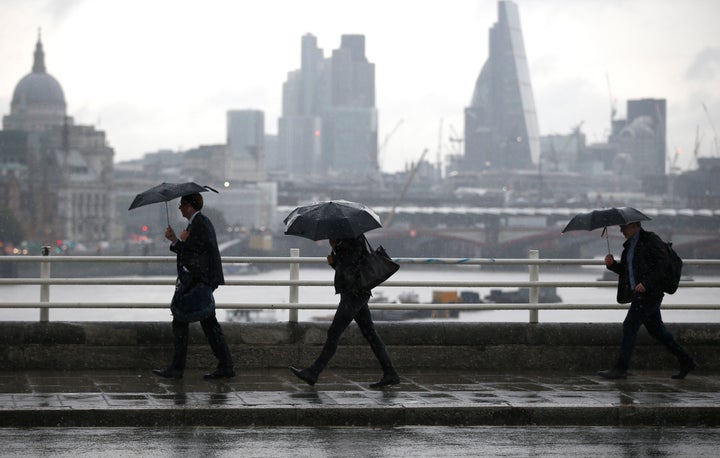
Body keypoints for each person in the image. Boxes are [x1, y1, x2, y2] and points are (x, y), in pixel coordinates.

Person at [290, 236, 400, 388]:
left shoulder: (352, 241)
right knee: (370, 334)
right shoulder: (350, 239)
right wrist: (336, 256)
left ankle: (313, 372)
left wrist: (336, 251)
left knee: (334, 333)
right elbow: (350, 270)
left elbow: (350, 270)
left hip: (354, 294)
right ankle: (390, 373)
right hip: (357, 293)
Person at [597, 221, 697, 380]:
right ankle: (686, 360)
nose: (621, 230)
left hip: (650, 293)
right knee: (657, 330)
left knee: (630, 326)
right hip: (640, 293)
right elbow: (627, 271)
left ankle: (621, 368)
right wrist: (612, 265)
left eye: (624, 227)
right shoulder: (630, 246)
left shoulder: (650, 240)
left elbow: (663, 263)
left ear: (635, 226)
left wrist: (647, 283)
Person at [152, 193, 235, 380]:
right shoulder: (198, 223)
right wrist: (176, 240)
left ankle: (178, 368)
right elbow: (194, 252)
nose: (180, 208)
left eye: (182, 205)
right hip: (201, 283)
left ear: (190, 206)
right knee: (209, 324)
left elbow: (193, 256)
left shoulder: (200, 224)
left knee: (181, 321)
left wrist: (177, 241)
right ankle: (225, 365)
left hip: (197, 283)